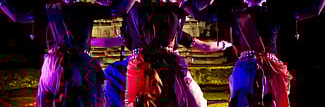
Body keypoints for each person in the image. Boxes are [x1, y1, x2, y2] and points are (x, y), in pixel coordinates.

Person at [158, 0, 325, 107]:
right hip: (257, 66)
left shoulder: (260, 13)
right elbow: (198, 14)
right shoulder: (245, 14)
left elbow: (313, 11)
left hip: (262, 67)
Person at [0, 0, 135, 107]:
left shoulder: (49, 10)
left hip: (53, 66)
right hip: (81, 65)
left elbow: (18, 17)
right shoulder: (87, 9)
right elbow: (120, 10)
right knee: (93, 95)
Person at [90, 30, 232, 107]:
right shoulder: (134, 24)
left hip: (165, 63)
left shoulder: (173, 28)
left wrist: (226, 44)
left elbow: (107, 42)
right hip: (151, 63)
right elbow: (204, 47)